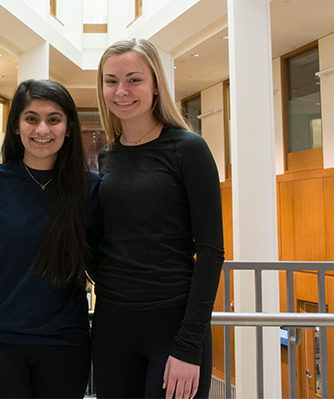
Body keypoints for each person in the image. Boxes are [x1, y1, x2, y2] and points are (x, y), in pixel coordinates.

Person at [90, 38, 225, 399]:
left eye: (134, 79)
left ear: (155, 86)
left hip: (173, 324)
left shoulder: (188, 148)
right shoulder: (109, 156)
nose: (121, 91)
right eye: (111, 81)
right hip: (112, 324)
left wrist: (188, 345)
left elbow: (211, 251)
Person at [0, 79, 101, 399]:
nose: (42, 129)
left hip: (65, 341)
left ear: (69, 128)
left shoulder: (91, 188)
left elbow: (103, 259)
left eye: (54, 119)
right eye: (31, 118)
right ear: (16, 125)